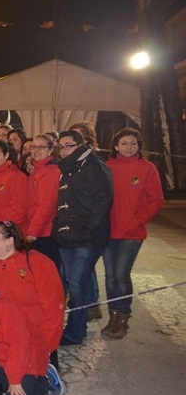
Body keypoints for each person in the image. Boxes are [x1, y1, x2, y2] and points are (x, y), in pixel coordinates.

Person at [53, 130, 113, 346]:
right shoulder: (68, 168)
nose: (64, 150)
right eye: (60, 147)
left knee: (77, 283)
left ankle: (75, 332)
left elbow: (103, 199)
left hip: (87, 238)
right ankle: (78, 325)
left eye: (68, 145)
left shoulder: (94, 165)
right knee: (74, 281)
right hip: (67, 235)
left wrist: (89, 228)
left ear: (81, 145)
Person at [102, 128, 163, 339]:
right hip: (108, 231)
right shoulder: (108, 166)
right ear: (116, 146)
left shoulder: (147, 168)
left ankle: (123, 317)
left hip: (132, 232)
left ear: (139, 146)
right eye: (124, 143)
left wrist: (136, 220)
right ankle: (112, 316)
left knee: (121, 274)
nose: (129, 147)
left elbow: (156, 200)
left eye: (133, 143)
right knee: (110, 276)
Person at [26, 134, 60, 268]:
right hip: (39, 230)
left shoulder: (50, 172)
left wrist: (33, 230)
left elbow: (47, 205)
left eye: (41, 147)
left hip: (46, 231)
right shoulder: (37, 171)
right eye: (33, 147)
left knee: (48, 270)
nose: (36, 150)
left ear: (50, 150)